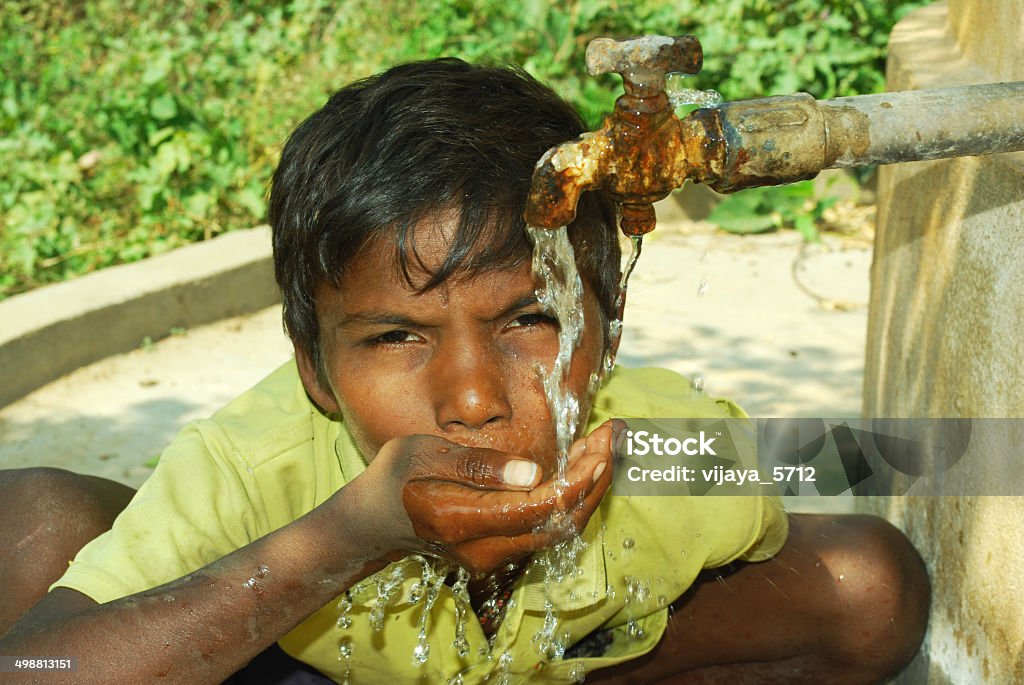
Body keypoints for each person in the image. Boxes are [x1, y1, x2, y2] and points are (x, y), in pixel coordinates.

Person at [0, 58, 929, 684]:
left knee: (870, 583)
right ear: (316, 373)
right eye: (397, 338)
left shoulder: (649, 449)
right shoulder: (262, 469)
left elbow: (890, 469)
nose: (475, 398)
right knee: (38, 521)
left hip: (572, 656)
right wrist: (342, 538)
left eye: (529, 319)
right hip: (297, 663)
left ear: (604, 337)